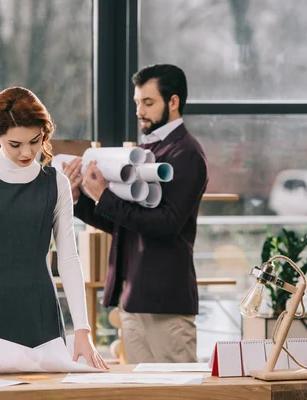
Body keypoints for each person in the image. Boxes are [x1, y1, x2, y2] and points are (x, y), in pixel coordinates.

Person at [0, 86, 108, 373]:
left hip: (41, 316)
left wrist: (82, 329)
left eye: (35, 141)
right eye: (15, 144)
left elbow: (69, 259)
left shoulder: (55, 182)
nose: (27, 152)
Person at [63, 64, 208, 363]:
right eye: (137, 102)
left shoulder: (187, 154)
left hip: (165, 302)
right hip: (133, 299)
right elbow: (123, 224)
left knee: (178, 397)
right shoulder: (151, 149)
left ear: (174, 102)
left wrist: (104, 195)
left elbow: (167, 225)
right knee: (142, 393)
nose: (140, 110)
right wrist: (80, 199)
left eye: (148, 102)